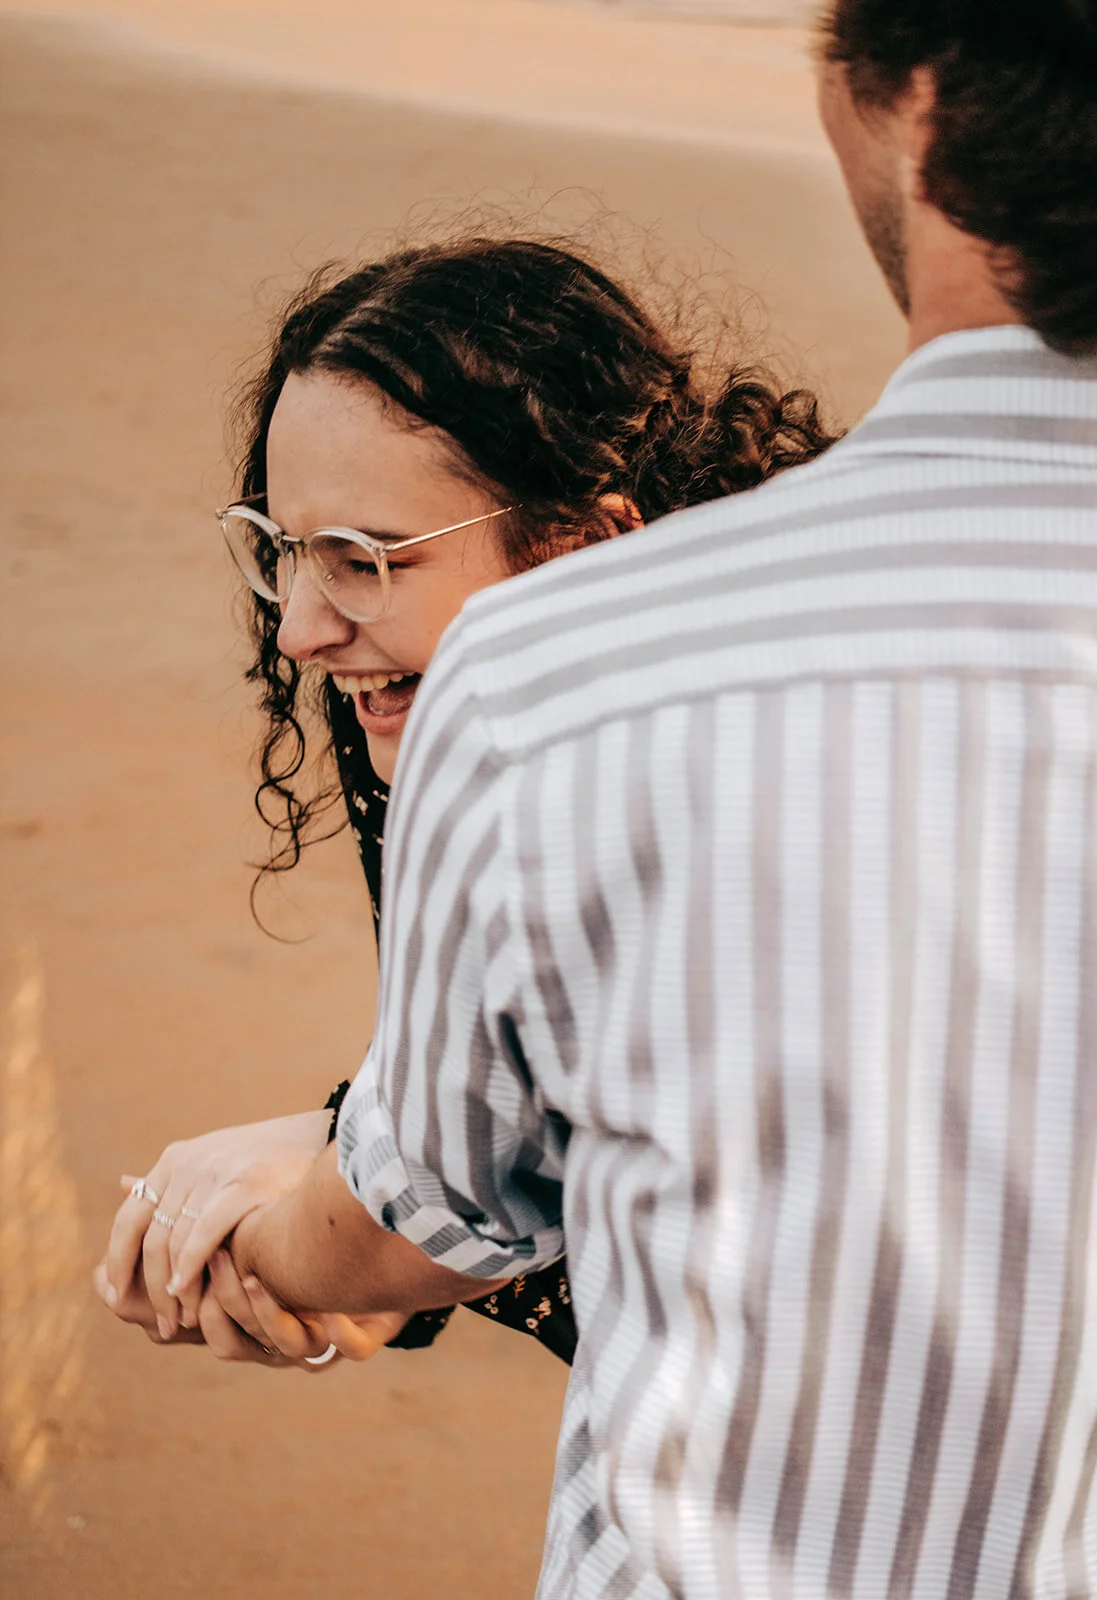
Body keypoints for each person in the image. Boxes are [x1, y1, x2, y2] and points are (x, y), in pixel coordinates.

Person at [135, 0, 1097, 1593]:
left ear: (896, 105)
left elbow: (423, 1213)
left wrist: (240, 1231)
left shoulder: (567, 671)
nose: (306, 619)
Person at [96, 237, 836, 1366]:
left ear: (589, 547)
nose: (298, 628)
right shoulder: (427, 723)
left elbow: (722, 1229)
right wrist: (361, 1232)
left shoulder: (789, 779)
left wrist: (330, 1211)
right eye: (285, 548)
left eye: (362, 558)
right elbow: (519, 1107)